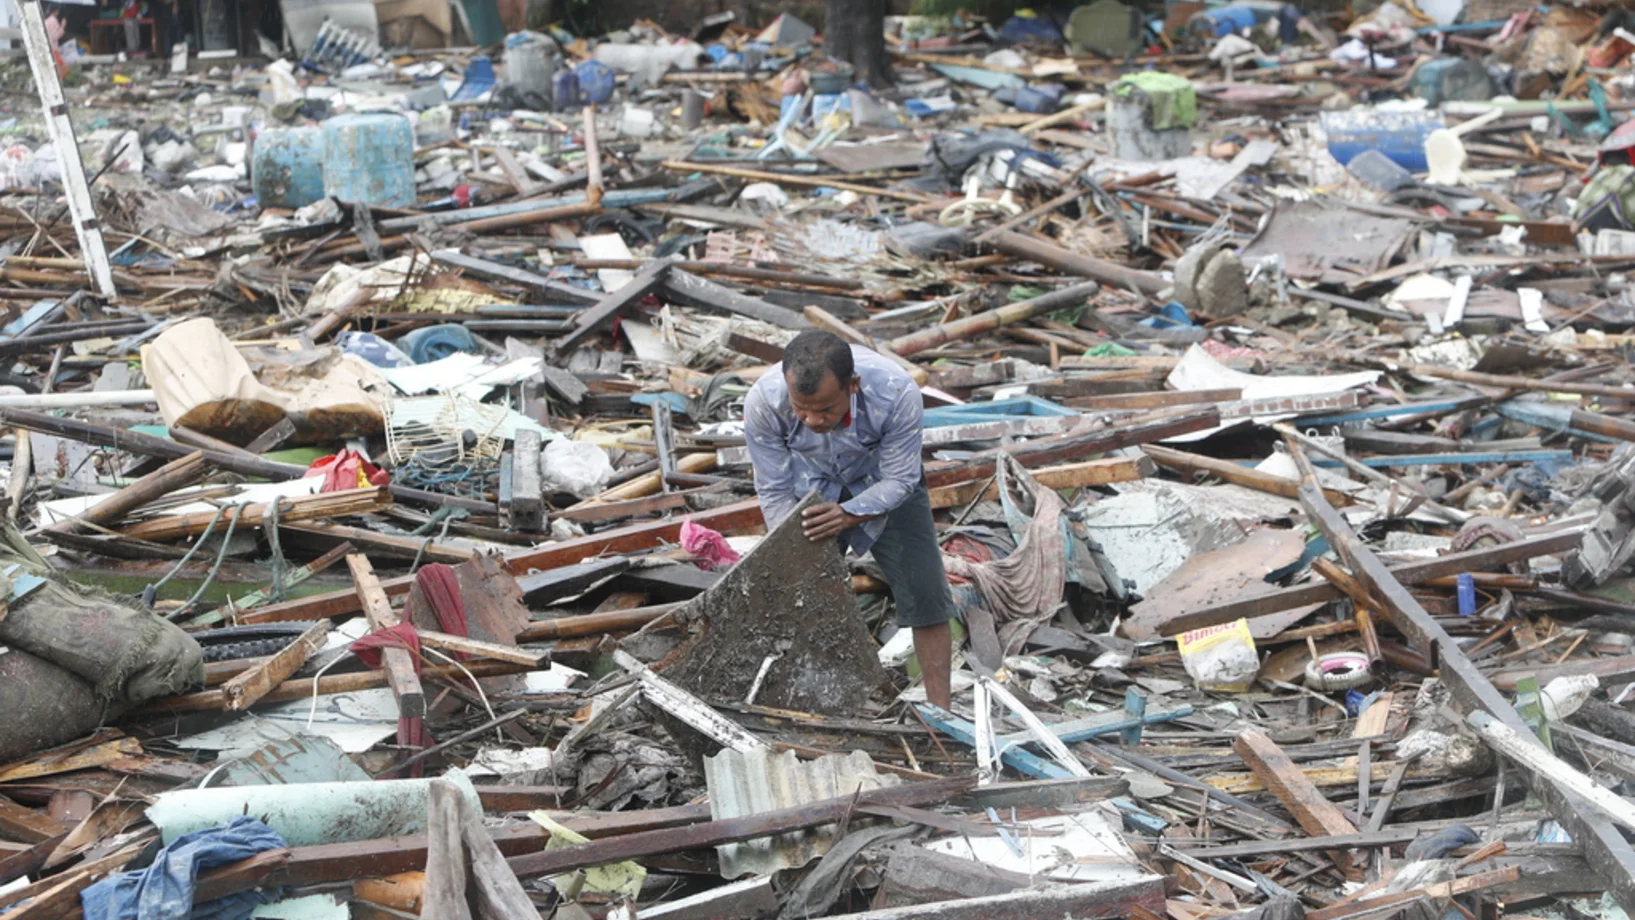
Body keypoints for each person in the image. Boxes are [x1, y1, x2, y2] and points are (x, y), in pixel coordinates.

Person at [743, 330, 955, 709]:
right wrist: (790, 544)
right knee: (793, 597)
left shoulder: (896, 393)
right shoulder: (763, 401)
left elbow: (901, 478)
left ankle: (943, 710)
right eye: (801, 409)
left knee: (927, 595)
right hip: (808, 487)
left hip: (883, 484)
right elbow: (773, 489)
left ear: (853, 385)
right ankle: (805, 709)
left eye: (825, 409)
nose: (811, 419)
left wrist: (849, 513)